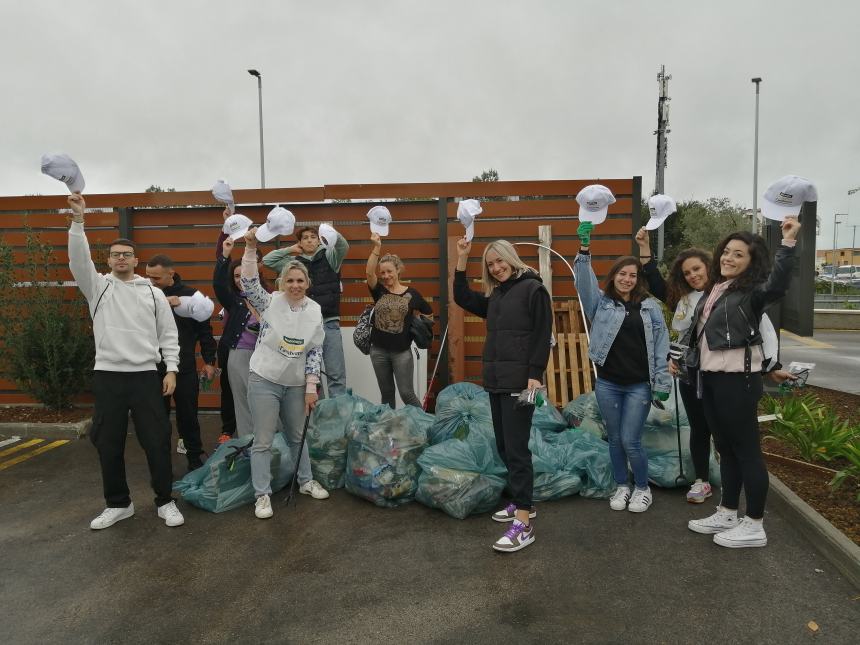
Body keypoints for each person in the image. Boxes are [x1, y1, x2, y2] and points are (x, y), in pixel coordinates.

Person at [634, 228, 796, 503]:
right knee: (702, 429)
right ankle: (705, 483)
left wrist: (771, 366)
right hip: (694, 374)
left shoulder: (735, 294)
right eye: (686, 273)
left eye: (697, 268)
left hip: (731, 377)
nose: (693, 275)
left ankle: (746, 513)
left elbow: (764, 331)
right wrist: (644, 247)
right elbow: (656, 282)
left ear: (709, 265)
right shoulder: (685, 300)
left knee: (736, 443)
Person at [681, 218, 801, 548]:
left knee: (747, 452)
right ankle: (728, 511)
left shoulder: (752, 293)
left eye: (739, 255)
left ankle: (755, 523)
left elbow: (777, 285)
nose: (729, 258)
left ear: (751, 262)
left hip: (738, 382)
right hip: (711, 380)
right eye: (727, 252)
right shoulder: (717, 289)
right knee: (726, 450)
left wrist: (787, 244)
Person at [66, 193, 185, 529]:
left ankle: (165, 501)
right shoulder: (98, 288)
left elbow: (168, 335)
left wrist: (172, 370)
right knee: (108, 442)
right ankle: (118, 504)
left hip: (147, 376)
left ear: (136, 260)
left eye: (127, 255)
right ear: (108, 261)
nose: (121, 259)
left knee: (157, 441)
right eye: (115, 255)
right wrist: (78, 222)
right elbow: (78, 261)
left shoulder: (153, 293)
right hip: (108, 377)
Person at [453, 238, 552, 553]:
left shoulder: (533, 289)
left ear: (511, 258)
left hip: (521, 381)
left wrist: (535, 375)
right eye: (490, 264)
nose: (496, 268)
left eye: (499, 261)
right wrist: (462, 258)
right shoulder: (496, 295)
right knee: (504, 445)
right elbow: (462, 297)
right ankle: (523, 502)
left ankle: (523, 523)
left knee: (518, 450)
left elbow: (542, 332)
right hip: (496, 379)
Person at [573, 221, 672, 513]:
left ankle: (642, 488)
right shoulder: (601, 305)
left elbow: (661, 348)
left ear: (638, 279)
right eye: (622, 274)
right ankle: (622, 486)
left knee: (631, 439)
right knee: (615, 439)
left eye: (632, 275)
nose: (627, 279)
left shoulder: (650, 307)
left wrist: (663, 383)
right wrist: (584, 248)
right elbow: (583, 282)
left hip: (639, 385)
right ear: (614, 276)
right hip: (608, 383)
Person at [241, 228, 330, 520]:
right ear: (282, 283)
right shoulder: (270, 302)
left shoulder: (315, 311)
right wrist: (251, 248)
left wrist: (311, 386)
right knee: (263, 440)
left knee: (297, 436)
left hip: (296, 385)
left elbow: (314, 350)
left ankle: (306, 481)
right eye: (289, 280)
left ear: (308, 283)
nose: (295, 285)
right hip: (264, 380)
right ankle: (262, 494)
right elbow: (249, 281)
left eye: (300, 280)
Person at [145, 254, 217, 471]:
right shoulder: (144, 293)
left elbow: (205, 330)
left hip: (184, 367)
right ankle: (161, 461)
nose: (151, 282)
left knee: (188, 416)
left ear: (171, 274)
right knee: (158, 418)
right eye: (148, 276)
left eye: (156, 278)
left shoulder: (191, 296)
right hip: (153, 367)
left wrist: (209, 361)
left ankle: (195, 458)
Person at [264, 224, 349, 398]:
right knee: (312, 377)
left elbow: (343, 246)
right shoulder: (294, 263)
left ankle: (338, 420)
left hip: (329, 323)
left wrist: (331, 234)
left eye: (313, 236)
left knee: (336, 375)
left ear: (319, 240)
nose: (309, 240)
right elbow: (268, 261)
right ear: (300, 243)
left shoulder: (330, 257)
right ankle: (318, 418)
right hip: (304, 327)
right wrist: (290, 250)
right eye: (305, 238)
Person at [213, 217, 274, 445]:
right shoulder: (233, 300)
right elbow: (219, 284)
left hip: (264, 357)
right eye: (236, 276)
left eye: (244, 275)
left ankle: (269, 441)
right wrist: (224, 256)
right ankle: (248, 443)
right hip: (238, 355)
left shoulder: (269, 297)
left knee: (264, 401)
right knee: (240, 400)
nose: (240, 280)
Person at [365, 233, 433, 408]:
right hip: (378, 351)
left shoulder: (413, 294)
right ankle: (390, 431)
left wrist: (420, 328)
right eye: (383, 273)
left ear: (398, 271)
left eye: (389, 271)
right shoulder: (379, 291)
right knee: (387, 394)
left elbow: (428, 312)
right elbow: (368, 272)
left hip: (401, 353)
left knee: (406, 394)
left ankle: (423, 427)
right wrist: (376, 248)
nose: (386, 276)